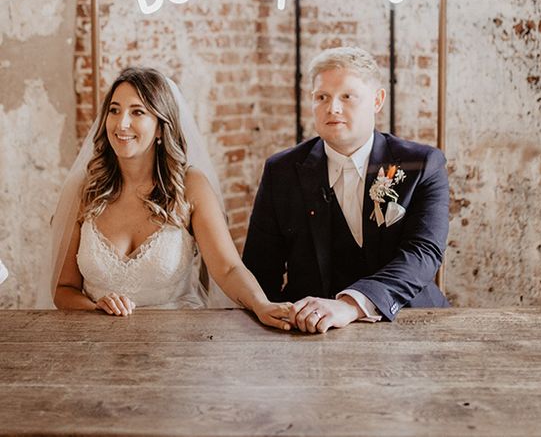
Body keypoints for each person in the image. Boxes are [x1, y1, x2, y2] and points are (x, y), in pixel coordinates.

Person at [52, 67, 291, 330]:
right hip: (99, 340)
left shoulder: (190, 186)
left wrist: (261, 304)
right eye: (114, 110)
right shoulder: (85, 189)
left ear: (159, 127)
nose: (121, 124)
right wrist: (96, 308)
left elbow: (228, 269)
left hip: (176, 339)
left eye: (137, 112)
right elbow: (63, 289)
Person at [242, 46, 450, 333]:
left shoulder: (421, 164)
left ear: (377, 101)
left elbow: (423, 253)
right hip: (310, 330)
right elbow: (260, 269)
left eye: (347, 97)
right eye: (322, 97)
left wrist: (351, 305)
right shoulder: (282, 170)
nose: (333, 108)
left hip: (408, 322)